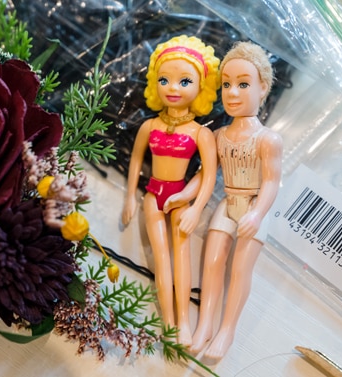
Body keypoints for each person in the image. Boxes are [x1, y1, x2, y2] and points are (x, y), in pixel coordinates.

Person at [172, 41, 282, 362]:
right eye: (227, 85)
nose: (232, 93)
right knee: (213, 260)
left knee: (240, 269)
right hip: (228, 201)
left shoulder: (268, 139)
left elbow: (273, 182)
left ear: (263, 88)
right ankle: (205, 323)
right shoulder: (219, 136)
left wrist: (258, 214)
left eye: (243, 84)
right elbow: (206, 175)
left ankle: (227, 329)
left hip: (253, 206)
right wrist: (184, 195)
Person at [121, 35, 220, 346]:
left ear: (201, 88)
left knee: (182, 260)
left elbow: (209, 174)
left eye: (184, 81)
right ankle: (169, 324)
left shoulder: (201, 133)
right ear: (155, 83)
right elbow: (137, 159)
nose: (173, 88)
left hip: (179, 199)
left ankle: (185, 325)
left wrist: (195, 206)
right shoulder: (149, 127)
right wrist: (129, 198)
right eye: (165, 79)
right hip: (152, 196)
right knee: (162, 261)